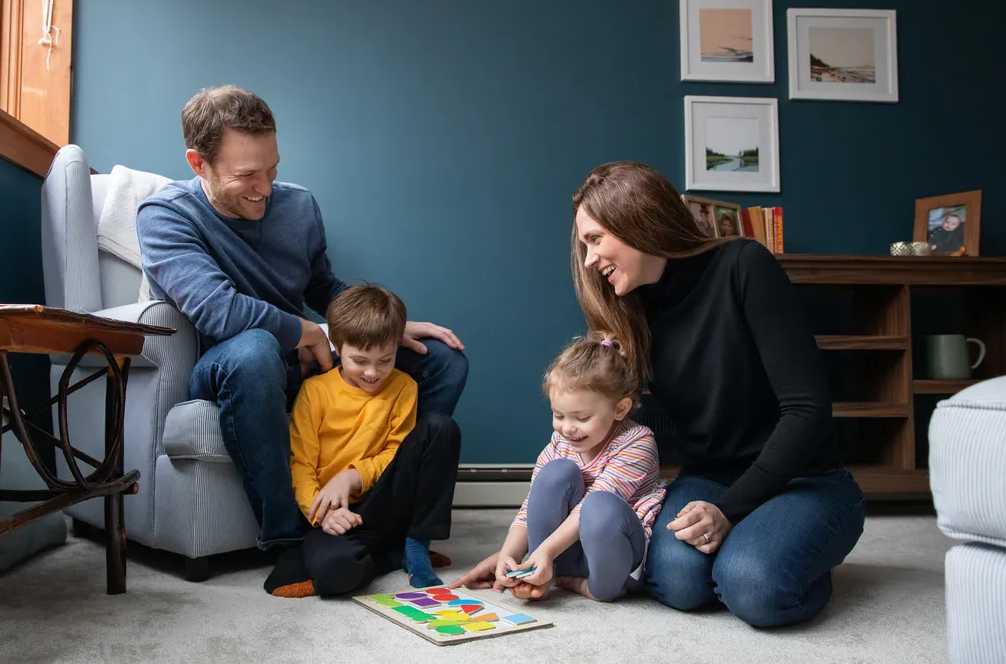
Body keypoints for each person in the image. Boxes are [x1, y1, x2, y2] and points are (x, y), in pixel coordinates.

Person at [452, 161, 864, 629]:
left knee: (754, 587)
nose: (589, 260)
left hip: (802, 478)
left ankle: (797, 549)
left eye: (595, 240)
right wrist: (522, 548)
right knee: (675, 583)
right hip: (709, 477)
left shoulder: (743, 265)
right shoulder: (629, 312)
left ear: (637, 221)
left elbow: (807, 410)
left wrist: (729, 511)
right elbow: (623, 434)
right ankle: (757, 543)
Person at [137, 86, 469, 554]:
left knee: (442, 360)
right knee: (255, 350)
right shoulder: (165, 217)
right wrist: (304, 330)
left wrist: (385, 326)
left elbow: (323, 289)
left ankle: (385, 516)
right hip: (231, 368)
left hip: (307, 362)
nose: (266, 189)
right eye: (248, 175)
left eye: (272, 169)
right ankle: (288, 540)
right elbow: (217, 309)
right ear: (199, 164)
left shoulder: (298, 206)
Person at [264, 284, 461, 597]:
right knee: (334, 575)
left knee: (441, 427)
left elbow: (396, 454)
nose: (373, 372)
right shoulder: (315, 392)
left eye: (386, 360)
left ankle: (415, 544)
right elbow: (300, 464)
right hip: (340, 513)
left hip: (387, 501)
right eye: (360, 361)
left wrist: (351, 476)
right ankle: (391, 554)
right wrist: (322, 513)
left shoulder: (403, 387)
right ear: (337, 348)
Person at [490, 335, 665, 602]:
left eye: (581, 418)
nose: (567, 428)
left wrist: (546, 551)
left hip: (617, 561)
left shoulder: (638, 443)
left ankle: (593, 589)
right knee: (554, 474)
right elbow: (532, 506)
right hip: (569, 549)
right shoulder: (560, 442)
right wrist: (510, 554)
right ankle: (543, 574)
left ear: (620, 409)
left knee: (599, 506)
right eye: (558, 415)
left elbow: (591, 508)